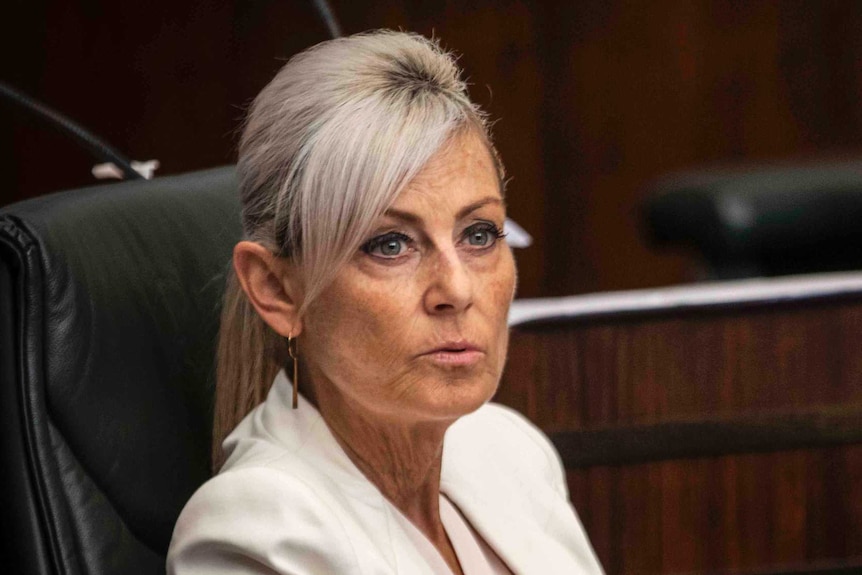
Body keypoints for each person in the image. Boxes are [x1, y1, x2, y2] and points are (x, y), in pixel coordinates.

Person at [167, 30, 603, 575]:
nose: (458, 290)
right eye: (390, 245)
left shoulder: (509, 449)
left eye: (478, 234)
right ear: (277, 290)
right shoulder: (255, 532)